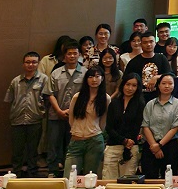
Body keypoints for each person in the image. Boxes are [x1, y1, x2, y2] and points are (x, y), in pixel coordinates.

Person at [43, 41, 85, 177]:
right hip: (56, 115)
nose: (72, 56)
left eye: (75, 53)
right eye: (69, 53)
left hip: (77, 116)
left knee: (72, 145)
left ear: (79, 55)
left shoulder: (85, 73)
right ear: (64, 56)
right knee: (53, 144)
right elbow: (50, 94)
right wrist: (59, 111)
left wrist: (73, 111)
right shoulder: (56, 73)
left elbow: (86, 95)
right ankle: (52, 172)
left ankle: (70, 173)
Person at [6, 52, 45, 177]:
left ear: (38, 63)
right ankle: (15, 174)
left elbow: (48, 99)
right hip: (17, 120)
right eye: (28, 62)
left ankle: (32, 174)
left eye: (34, 62)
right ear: (23, 64)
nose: (31, 65)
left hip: (35, 120)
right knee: (17, 151)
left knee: (33, 151)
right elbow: (9, 99)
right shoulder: (16, 81)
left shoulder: (44, 79)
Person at [64, 68, 109, 178]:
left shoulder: (105, 98)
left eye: (97, 76)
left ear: (102, 78)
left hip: (94, 140)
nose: (94, 80)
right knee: (69, 177)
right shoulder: (77, 97)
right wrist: (77, 131)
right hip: (76, 140)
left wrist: (96, 131)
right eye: (90, 76)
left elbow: (103, 121)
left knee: (89, 178)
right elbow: (71, 118)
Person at [141, 73, 178, 178]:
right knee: (149, 178)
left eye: (170, 83)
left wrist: (159, 145)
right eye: (163, 83)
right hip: (150, 145)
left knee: (169, 179)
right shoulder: (150, 104)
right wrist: (154, 146)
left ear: (174, 85)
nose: (167, 86)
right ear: (158, 85)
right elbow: (145, 125)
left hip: (169, 146)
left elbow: (175, 127)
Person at [102, 72, 144, 178]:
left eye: (134, 85)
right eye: (127, 84)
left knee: (127, 182)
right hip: (113, 146)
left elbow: (136, 127)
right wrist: (123, 140)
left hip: (131, 147)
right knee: (109, 180)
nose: (130, 88)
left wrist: (128, 143)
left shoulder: (140, 104)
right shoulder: (114, 103)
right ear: (123, 85)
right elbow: (109, 127)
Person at [125, 32, 172, 102]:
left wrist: (157, 77)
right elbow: (126, 79)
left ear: (155, 43)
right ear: (141, 44)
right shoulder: (134, 62)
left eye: (151, 41)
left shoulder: (162, 58)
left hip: (160, 97)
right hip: (139, 98)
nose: (148, 44)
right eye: (145, 42)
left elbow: (171, 75)